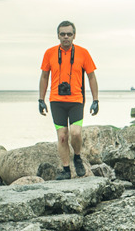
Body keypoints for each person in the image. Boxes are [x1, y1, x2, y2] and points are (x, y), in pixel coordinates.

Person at [39, 20, 99, 180]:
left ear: (74, 35)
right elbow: (44, 76)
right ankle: (66, 169)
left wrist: (96, 99)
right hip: (56, 101)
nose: (66, 37)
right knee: (62, 136)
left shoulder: (83, 53)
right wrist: (41, 99)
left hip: (76, 100)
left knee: (76, 133)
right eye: (62, 34)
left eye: (69, 34)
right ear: (58, 35)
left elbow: (91, 76)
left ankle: (77, 157)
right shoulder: (49, 53)